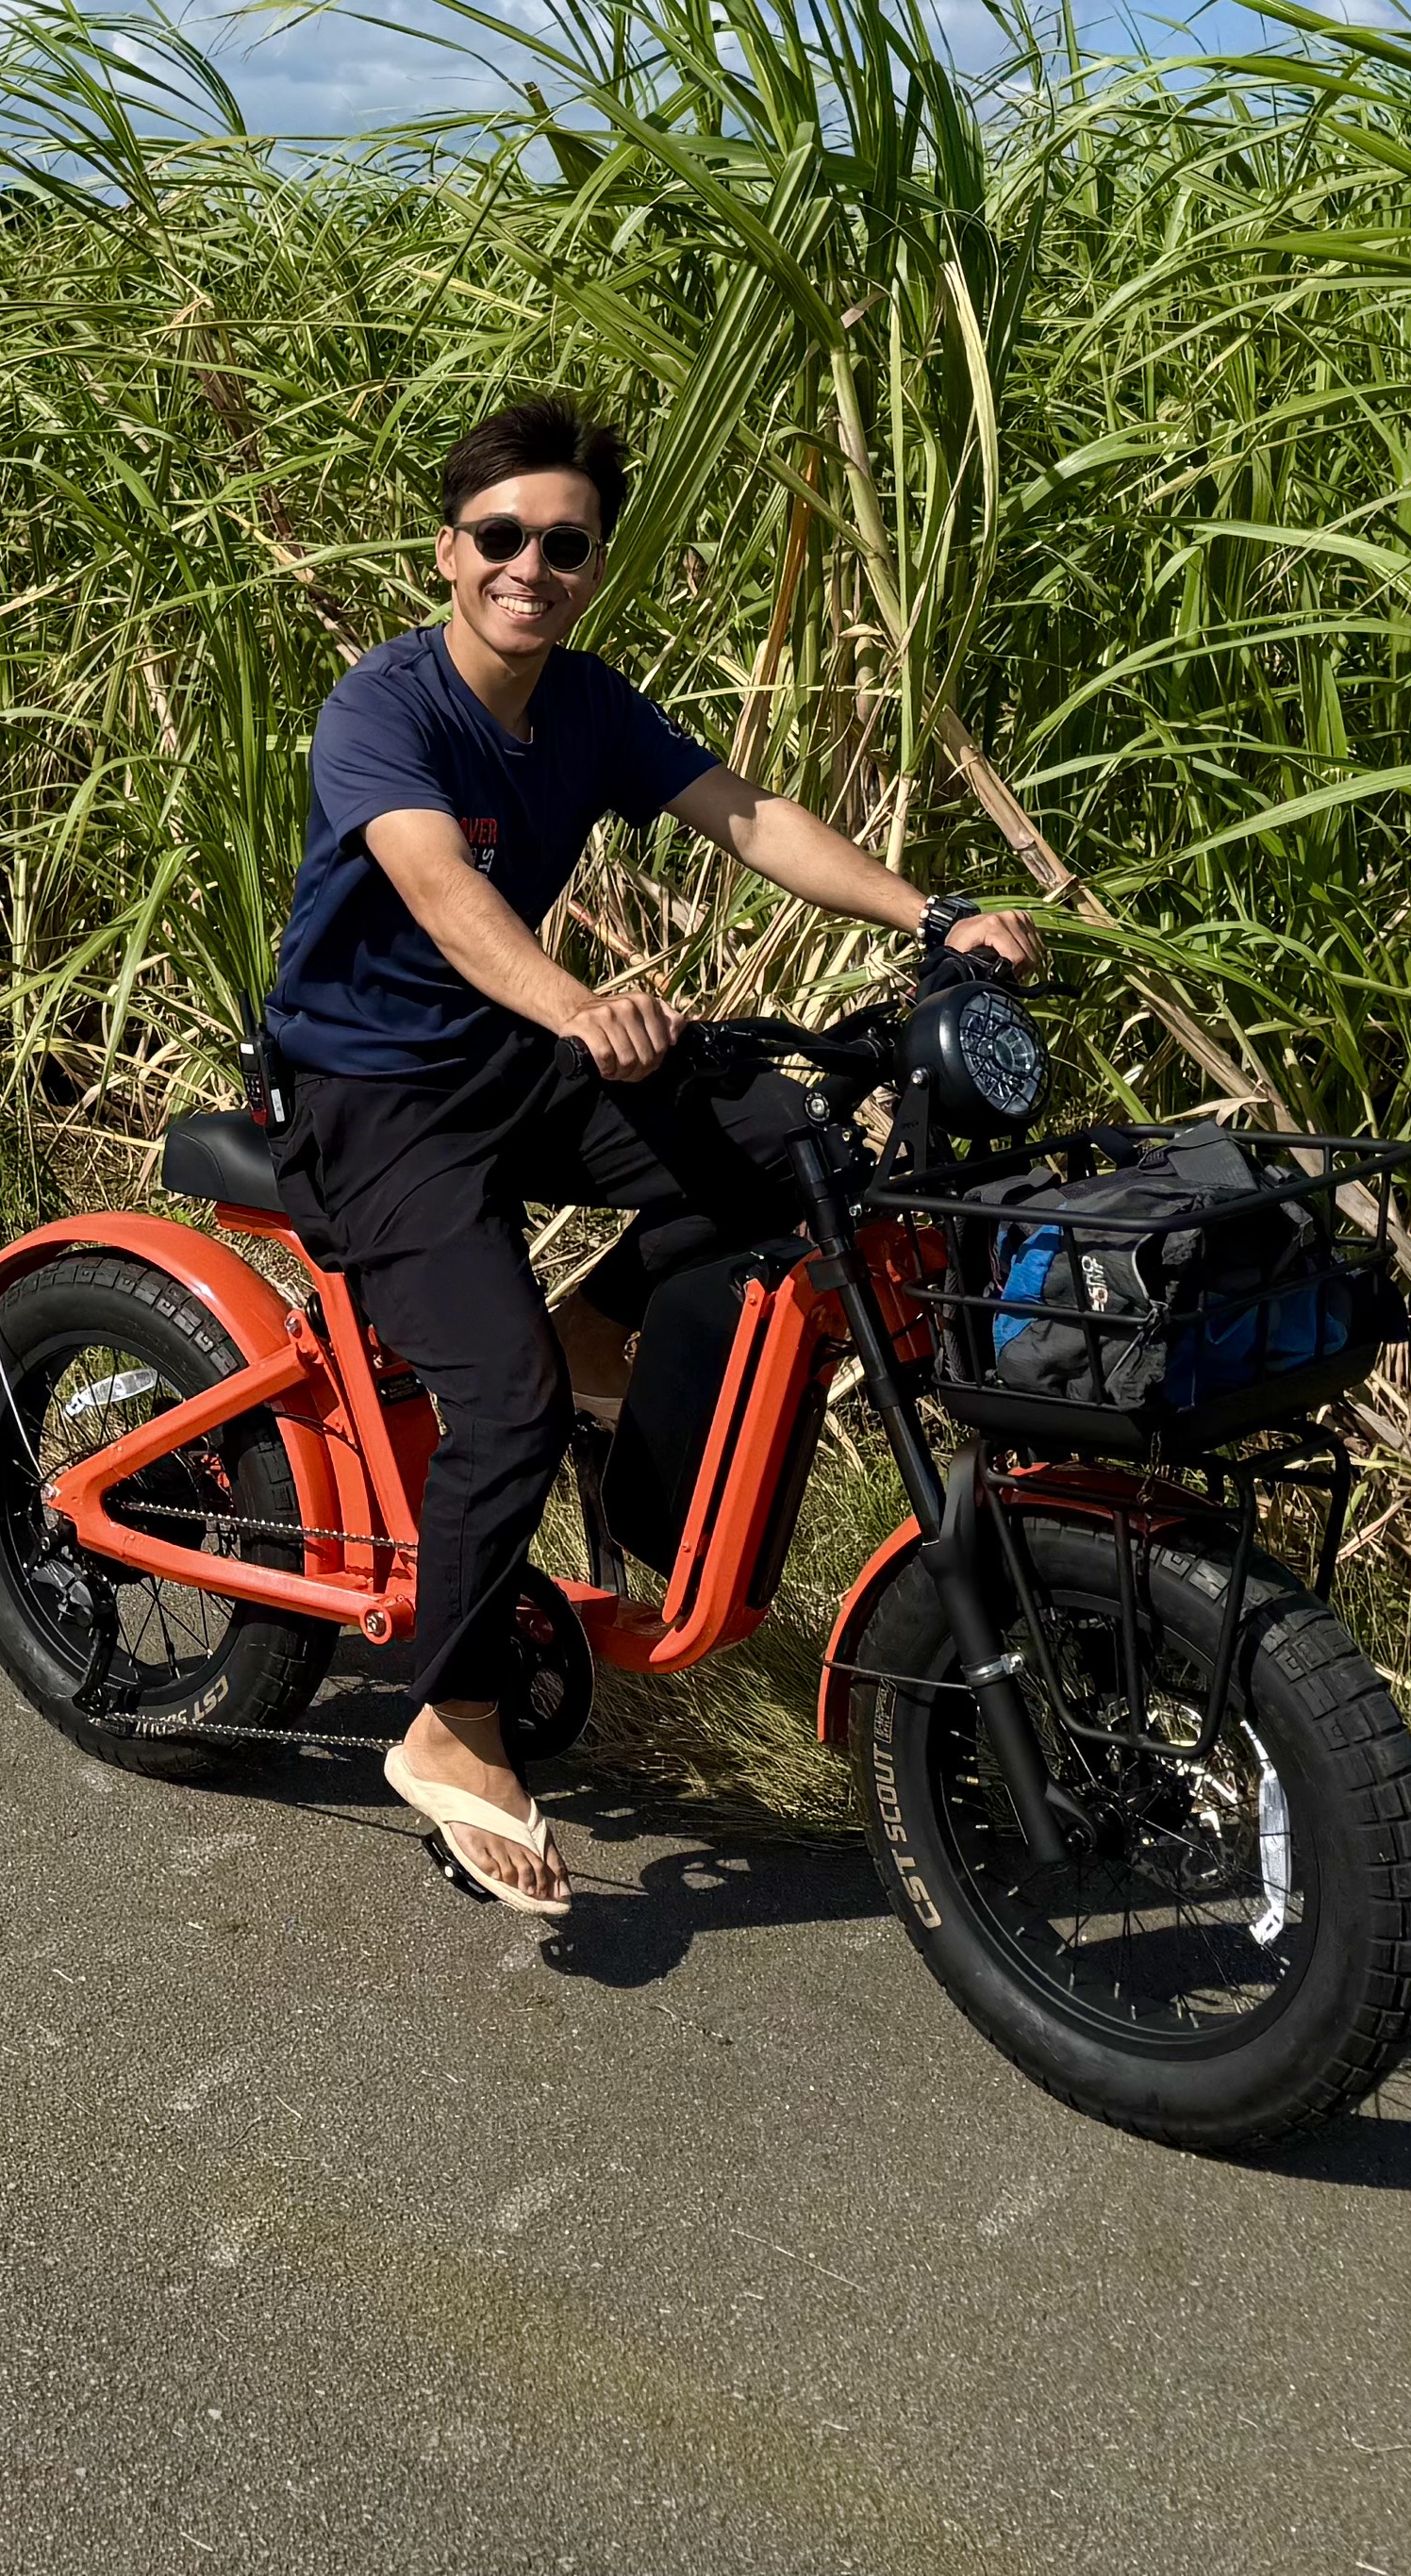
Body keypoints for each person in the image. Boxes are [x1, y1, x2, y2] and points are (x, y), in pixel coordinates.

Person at [261, 394, 1039, 1920]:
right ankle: (450, 1718)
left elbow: (746, 815)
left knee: (785, 1145)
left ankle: (604, 1317)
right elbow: (433, 882)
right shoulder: (386, 704)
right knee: (505, 1399)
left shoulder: (591, 703)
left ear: (591, 564)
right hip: (369, 1089)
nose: (529, 565)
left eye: (563, 543)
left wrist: (935, 918)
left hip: (507, 1057)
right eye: (501, 536)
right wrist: (573, 1001)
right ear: (449, 548)